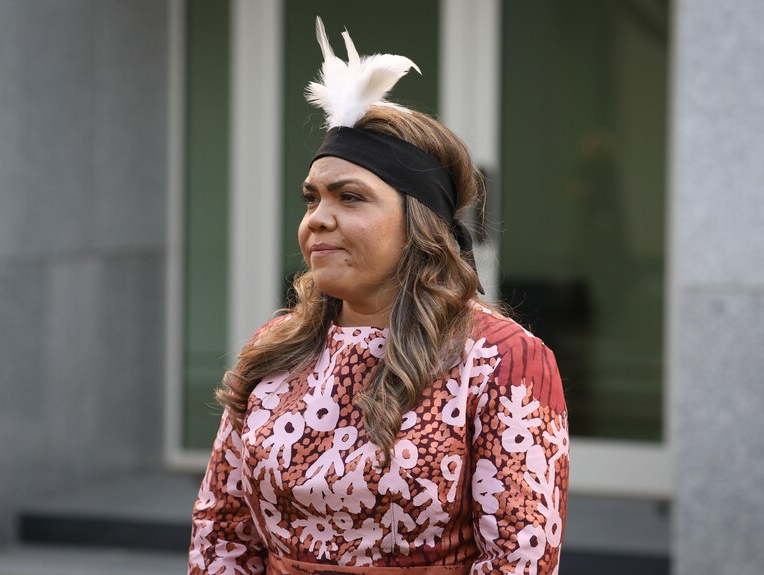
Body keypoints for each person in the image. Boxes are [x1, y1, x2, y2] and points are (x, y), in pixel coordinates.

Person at [189, 17, 569, 575]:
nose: (318, 220)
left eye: (350, 197)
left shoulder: (502, 362)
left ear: (418, 223)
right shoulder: (273, 348)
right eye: (312, 198)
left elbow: (520, 560)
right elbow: (221, 532)